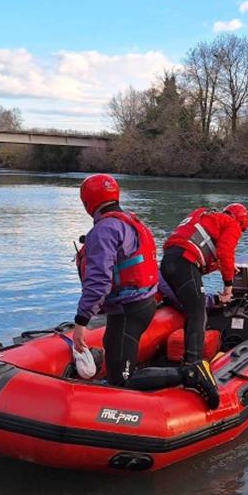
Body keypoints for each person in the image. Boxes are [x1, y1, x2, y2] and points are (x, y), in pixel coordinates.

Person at [72, 174, 218, 407]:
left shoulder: (104, 230)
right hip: (144, 303)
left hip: (127, 310)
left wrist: (81, 322)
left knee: (122, 380)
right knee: (116, 360)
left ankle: (190, 373)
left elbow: (98, 281)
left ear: (87, 201)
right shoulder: (132, 222)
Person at [160, 203, 248, 410]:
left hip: (169, 262)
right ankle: (194, 368)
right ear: (242, 223)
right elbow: (225, 251)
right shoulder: (232, 224)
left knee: (193, 308)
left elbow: (203, 250)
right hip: (184, 261)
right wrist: (228, 286)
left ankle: (187, 364)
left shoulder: (204, 215)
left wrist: (223, 266)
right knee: (198, 314)